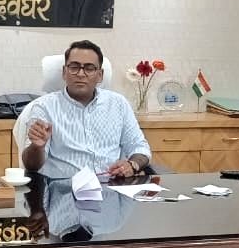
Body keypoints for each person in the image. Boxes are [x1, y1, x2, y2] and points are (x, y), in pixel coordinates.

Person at [22, 40, 152, 179]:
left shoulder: (118, 103)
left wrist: (132, 165)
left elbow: (140, 148)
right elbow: (31, 166)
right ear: (64, 72)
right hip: (64, 188)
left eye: (89, 68)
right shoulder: (44, 107)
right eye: (74, 67)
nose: (81, 74)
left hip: (112, 186)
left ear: (100, 75)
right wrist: (37, 147)